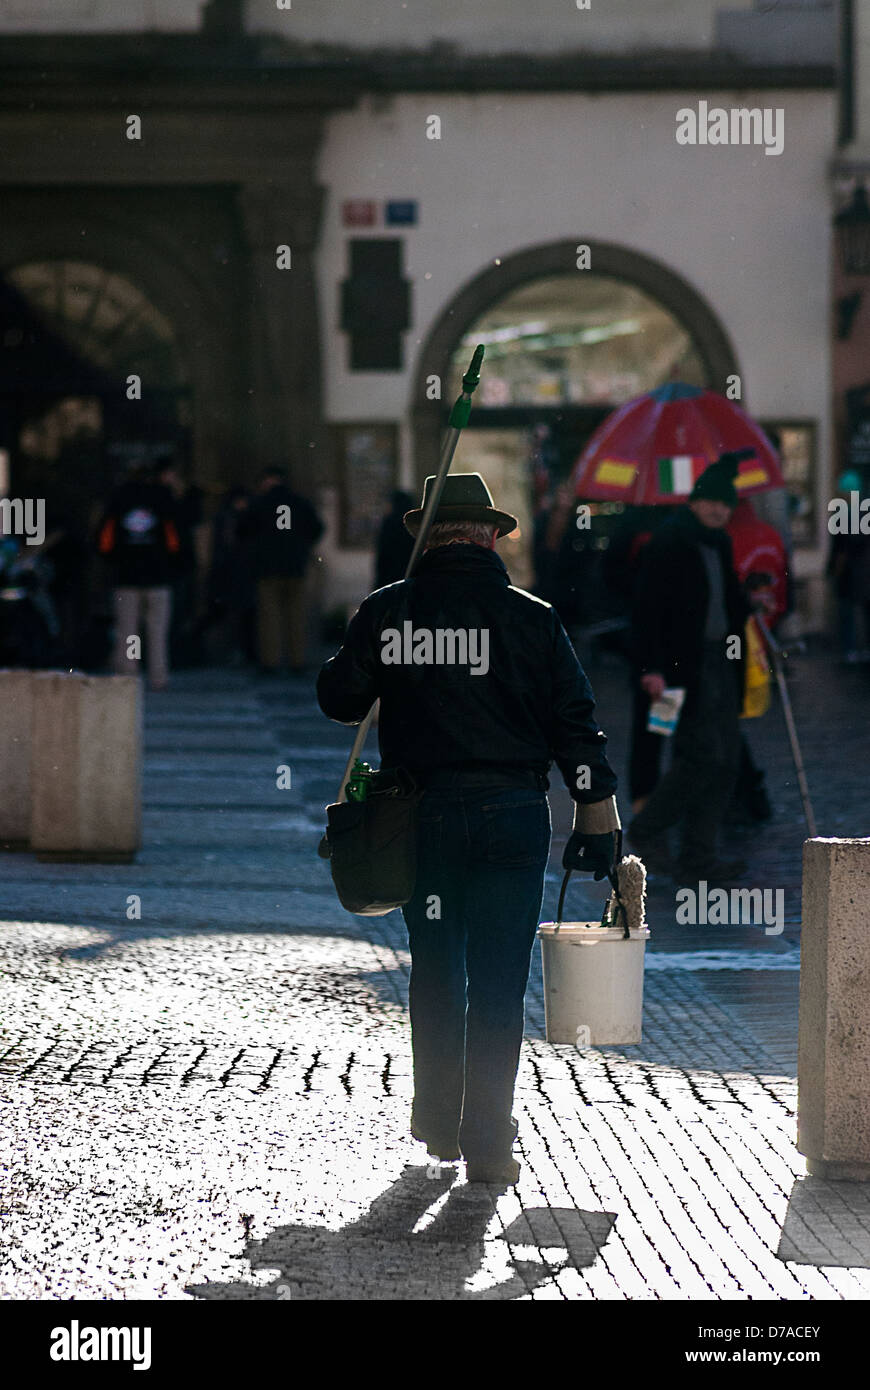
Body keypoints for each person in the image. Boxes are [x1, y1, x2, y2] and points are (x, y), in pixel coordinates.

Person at [317, 472, 619, 1185]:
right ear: (489, 536)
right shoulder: (532, 617)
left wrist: (380, 627)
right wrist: (596, 817)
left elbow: (337, 698)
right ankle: (487, 1139)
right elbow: (577, 730)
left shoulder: (393, 611)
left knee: (436, 972)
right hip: (512, 819)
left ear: (427, 535)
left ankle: (436, 1120)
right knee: (497, 985)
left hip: (421, 819)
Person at [627, 454, 753, 882]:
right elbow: (645, 611)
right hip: (681, 669)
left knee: (725, 758)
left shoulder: (719, 541)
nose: (720, 510)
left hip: (718, 663)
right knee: (701, 754)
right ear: (696, 503)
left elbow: (726, 601)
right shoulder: (669, 542)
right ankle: (649, 827)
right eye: (713, 502)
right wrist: (651, 668)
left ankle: (699, 855)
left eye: (726, 504)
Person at [96, 461, 180, 691]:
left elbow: (105, 541)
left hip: (126, 576)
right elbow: (175, 540)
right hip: (158, 576)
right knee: (157, 631)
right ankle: (158, 676)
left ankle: (129, 674)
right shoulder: (163, 498)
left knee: (128, 631)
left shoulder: (118, 499)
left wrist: (115, 560)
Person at [246, 467, 325, 674]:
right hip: (295, 565)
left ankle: (270, 661)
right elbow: (317, 527)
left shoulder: (260, 503)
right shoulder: (299, 502)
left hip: (267, 567)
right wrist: (302, 544)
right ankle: (297, 660)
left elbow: (244, 530)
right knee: (296, 615)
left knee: (269, 617)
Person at [374, 490, 415, 589]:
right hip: (409, 576)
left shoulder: (389, 523)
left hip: (389, 577)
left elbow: (383, 553)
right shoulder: (414, 523)